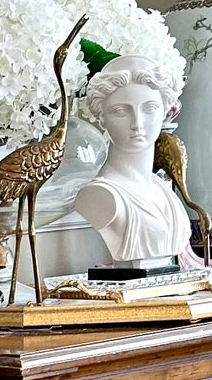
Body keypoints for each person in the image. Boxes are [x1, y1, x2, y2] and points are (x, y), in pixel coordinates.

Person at [75, 54, 194, 264]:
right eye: (121, 111)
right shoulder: (100, 195)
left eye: (149, 109)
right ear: (101, 117)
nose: (137, 123)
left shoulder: (162, 189)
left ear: (165, 111)